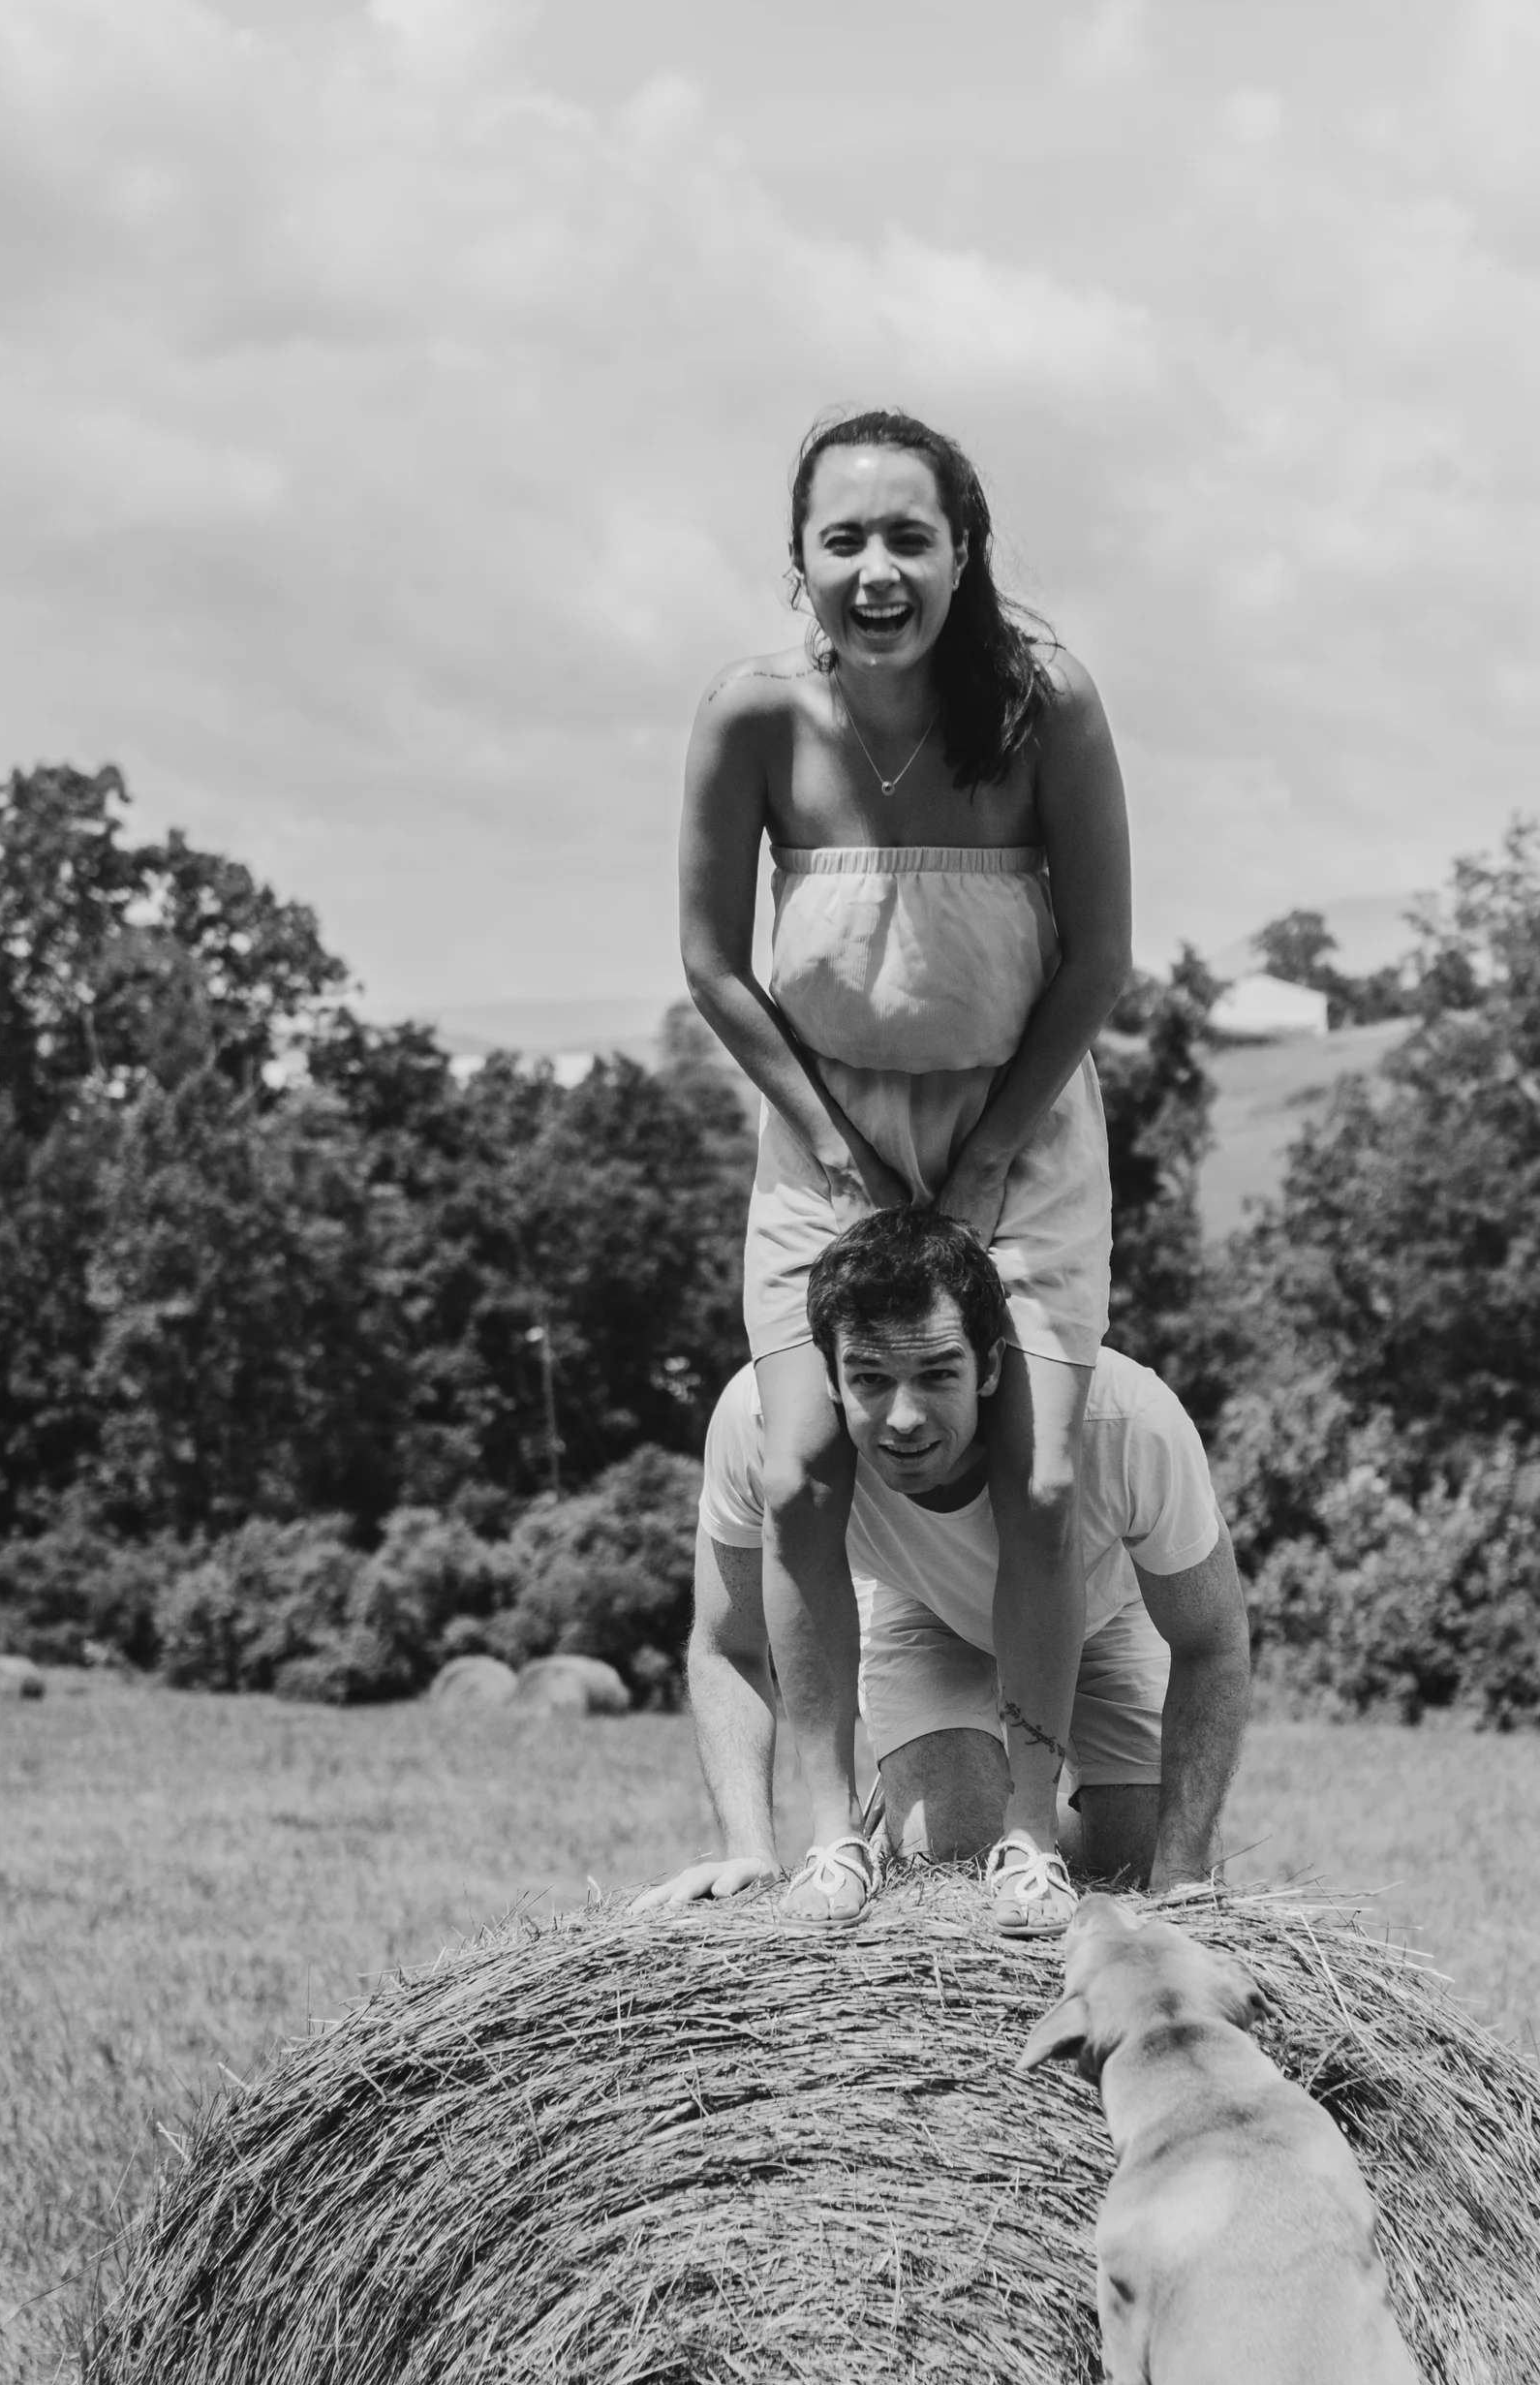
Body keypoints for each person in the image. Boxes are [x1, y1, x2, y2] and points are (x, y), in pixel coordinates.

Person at [678, 405, 1133, 1934]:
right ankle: (826, 1834)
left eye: (910, 538)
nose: (877, 570)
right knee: (807, 1459)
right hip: (823, 1134)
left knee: (1042, 1469)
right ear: (799, 561)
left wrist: (992, 1149)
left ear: (964, 552)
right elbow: (712, 966)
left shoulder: (1043, 703)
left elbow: (1102, 964)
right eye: (844, 540)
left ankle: (1026, 1834)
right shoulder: (749, 717)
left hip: (1022, 1123)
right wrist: (826, 1140)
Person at [638, 1212, 1248, 1913]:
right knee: (951, 1852)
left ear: (988, 1365)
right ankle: (899, 1814)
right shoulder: (761, 1426)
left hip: (1101, 1618)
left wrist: (1180, 1871)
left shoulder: (1127, 1421)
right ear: (828, 1375)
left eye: (936, 1374)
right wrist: (748, 1848)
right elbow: (726, 1645)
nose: (903, 1417)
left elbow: (1212, 1642)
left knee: (1135, 1867)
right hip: (920, 1610)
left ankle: (1058, 1832)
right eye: (869, 1377)